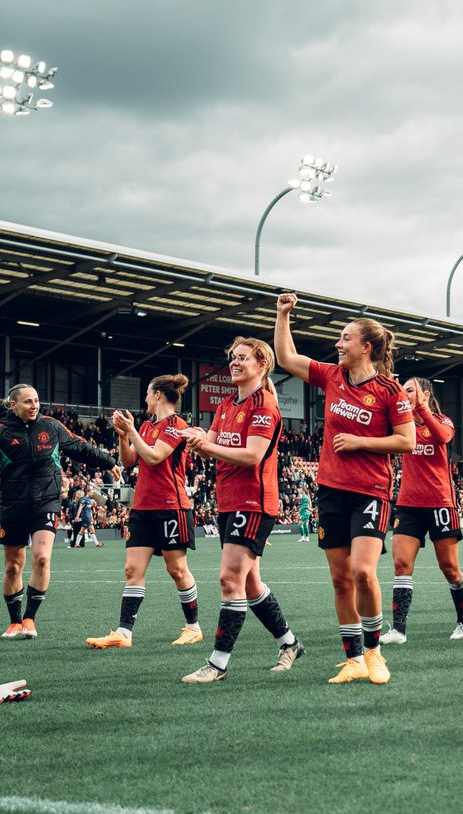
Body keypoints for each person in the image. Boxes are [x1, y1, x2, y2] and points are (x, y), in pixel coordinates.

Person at [275, 293, 414, 685]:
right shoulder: (332, 376)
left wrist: (359, 441)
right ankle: (352, 659)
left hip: (371, 490)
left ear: (365, 347)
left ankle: (374, 652)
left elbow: (406, 440)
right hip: (331, 490)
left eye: (345, 338)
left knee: (363, 572)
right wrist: (282, 314)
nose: (338, 344)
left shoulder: (390, 392)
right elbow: (286, 358)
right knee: (340, 579)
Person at [179, 337, 304, 682]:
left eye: (242, 359)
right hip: (229, 500)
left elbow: (252, 456)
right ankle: (290, 643)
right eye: (232, 358)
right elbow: (214, 446)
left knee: (229, 578)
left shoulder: (265, 406)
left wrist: (207, 445)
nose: (234, 363)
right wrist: (198, 438)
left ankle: (217, 665)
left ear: (261, 365)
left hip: (254, 503)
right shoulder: (225, 404)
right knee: (249, 584)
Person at [85, 374, 203, 650]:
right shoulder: (148, 426)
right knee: (132, 569)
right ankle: (123, 633)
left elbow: (154, 456)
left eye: (148, 394)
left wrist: (133, 431)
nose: (146, 399)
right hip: (142, 508)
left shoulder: (177, 425)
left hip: (171, 508)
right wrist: (124, 436)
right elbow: (129, 462)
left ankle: (193, 627)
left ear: (159, 395)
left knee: (176, 569)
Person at [1, 385, 121, 640]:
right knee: (12, 566)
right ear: (13, 405)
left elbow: (80, 447)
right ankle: (14, 622)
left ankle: (30, 618)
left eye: (36, 401)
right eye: (27, 402)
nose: (34, 406)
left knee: (42, 558)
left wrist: (110, 462)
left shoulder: (51, 426)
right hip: (11, 505)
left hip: (46, 501)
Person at [381, 377, 463, 643]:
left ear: (425, 393)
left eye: (410, 390)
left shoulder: (443, 421)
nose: (404, 395)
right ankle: (398, 630)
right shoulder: (402, 426)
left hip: (440, 503)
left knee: (449, 568)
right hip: (408, 505)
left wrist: (422, 409)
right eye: (403, 390)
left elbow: (443, 438)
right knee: (401, 564)